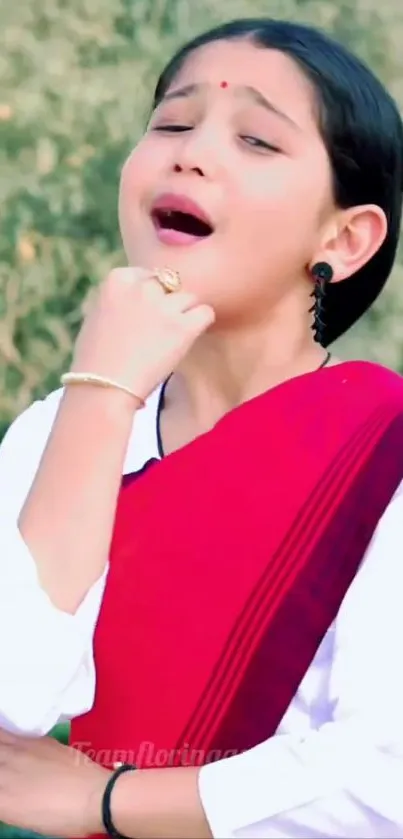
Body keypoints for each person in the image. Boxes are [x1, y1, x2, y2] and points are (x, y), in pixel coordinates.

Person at [0, 15, 403, 839]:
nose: (189, 152)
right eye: (172, 124)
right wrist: (102, 393)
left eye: (256, 140)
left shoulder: (382, 445)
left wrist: (102, 799)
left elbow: (382, 776)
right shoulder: (60, 430)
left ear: (344, 237)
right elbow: (13, 692)